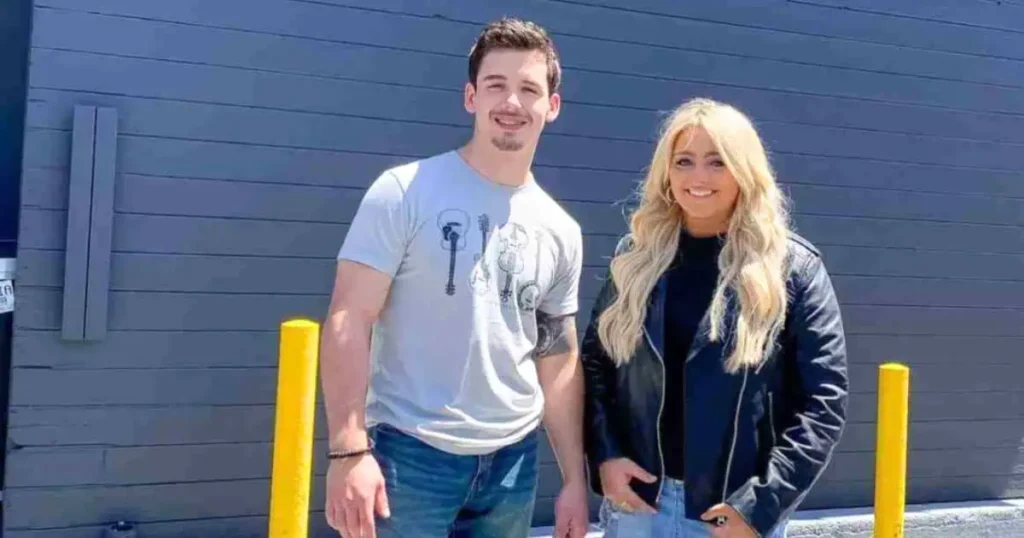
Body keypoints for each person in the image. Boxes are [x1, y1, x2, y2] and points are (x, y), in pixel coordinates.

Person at [319, 17, 590, 538]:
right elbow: (350, 315)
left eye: (529, 89)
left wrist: (574, 479)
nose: (512, 102)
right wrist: (349, 449)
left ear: (551, 107)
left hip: (513, 465)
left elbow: (557, 357)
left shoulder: (561, 230)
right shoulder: (405, 191)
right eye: (496, 85)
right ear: (471, 97)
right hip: (410, 457)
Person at [580, 98, 849, 538]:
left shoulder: (792, 268)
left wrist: (762, 504)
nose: (698, 178)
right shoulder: (637, 261)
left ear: (745, 170)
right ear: (666, 172)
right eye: (683, 161)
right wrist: (606, 458)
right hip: (637, 507)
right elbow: (596, 366)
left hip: (730, 515)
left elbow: (823, 403)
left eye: (717, 162)